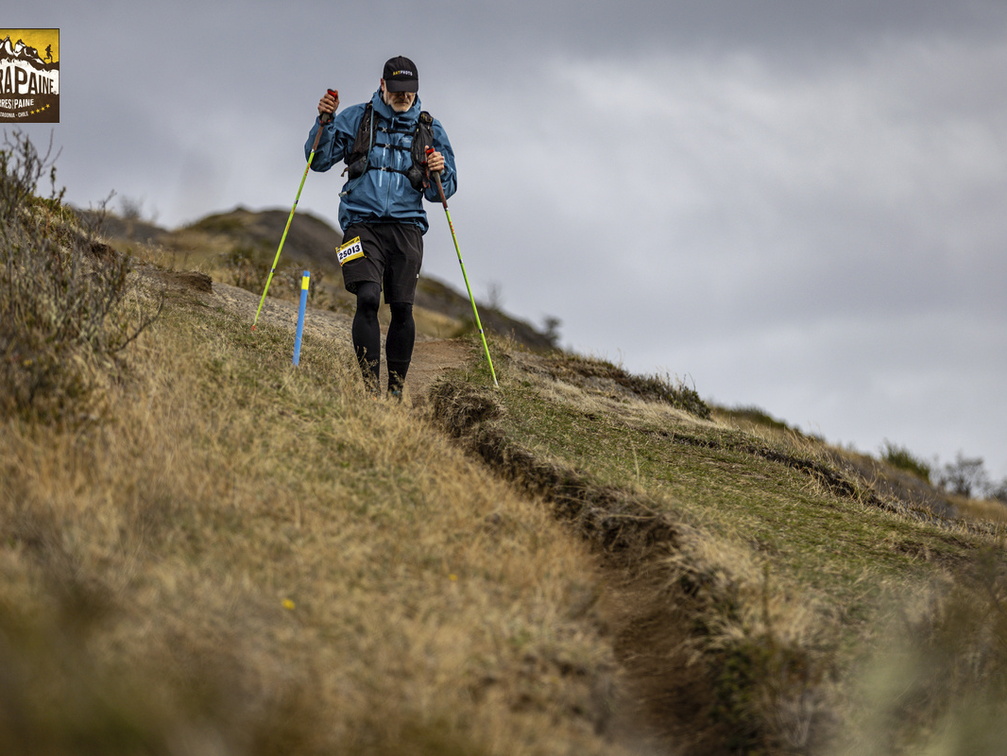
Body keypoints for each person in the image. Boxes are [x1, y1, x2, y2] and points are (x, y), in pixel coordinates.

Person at [306, 55, 457, 399]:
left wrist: (440, 169)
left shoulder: (430, 129)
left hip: (407, 229)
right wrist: (324, 122)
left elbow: (444, 192)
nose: (404, 97)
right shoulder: (356, 118)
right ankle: (371, 392)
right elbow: (317, 160)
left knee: (402, 307)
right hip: (360, 223)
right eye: (398, 90)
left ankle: (396, 392)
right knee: (368, 298)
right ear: (383, 85)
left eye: (410, 91)